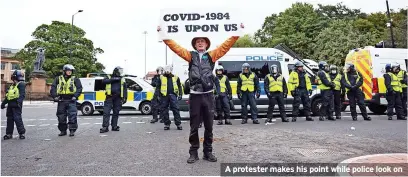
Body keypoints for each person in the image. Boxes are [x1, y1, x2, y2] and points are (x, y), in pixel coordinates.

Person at [159, 25, 241, 163]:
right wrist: (163, 35)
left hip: (208, 95)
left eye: (203, 41)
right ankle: (193, 153)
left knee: (209, 126)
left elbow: (225, 46)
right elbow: (176, 47)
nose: (200, 43)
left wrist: (236, 34)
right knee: (194, 126)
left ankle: (208, 152)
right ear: (195, 45)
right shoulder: (190, 56)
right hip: (195, 95)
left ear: (207, 44)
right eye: (198, 41)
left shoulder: (212, 56)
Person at [50, 64, 83, 136]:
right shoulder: (58, 78)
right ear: (64, 71)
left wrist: (75, 96)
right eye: (68, 70)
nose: (69, 72)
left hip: (71, 99)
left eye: (71, 71)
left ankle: (72, 130)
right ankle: (63, 130)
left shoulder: (75, 79)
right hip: (61, 100)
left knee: (72, 115)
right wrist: (55, 96)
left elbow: (79, 88)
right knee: (61, 116)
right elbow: (53, 87)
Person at [100, 66, 128, 133]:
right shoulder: (109, 77)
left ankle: (114, 126)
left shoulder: (122, 79)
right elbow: (104, 81)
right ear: (116, 71)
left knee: (116, 112)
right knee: (106, 112)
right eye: (120, 71)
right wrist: (114, 79)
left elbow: (125, 89)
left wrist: (125, 98)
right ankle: (105, 127)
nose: (121, 72)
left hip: (118, 98)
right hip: (109, 97)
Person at [156, 65, 183, 130]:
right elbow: (158, 87)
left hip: (173, 95)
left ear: (171, 70)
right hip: (164, 96)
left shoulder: (176, 77)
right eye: (166, 70)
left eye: (169, 70)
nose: (168, 71)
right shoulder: (161, 77)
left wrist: (180, 94)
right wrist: (158, 95)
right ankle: (167, 124)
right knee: (164, 110)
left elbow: (180, 86)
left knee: (176, 109)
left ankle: (178, 124)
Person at [1, 70, 26, 140]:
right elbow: (7, 96)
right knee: (10, 119)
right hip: (10, 105)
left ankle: (22, 133)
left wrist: (18, 102)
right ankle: (9, 134)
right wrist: (3, 104)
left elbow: (22, 95)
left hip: (16, 105)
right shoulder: (11, 86)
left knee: (17, 119)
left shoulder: (21, 84)